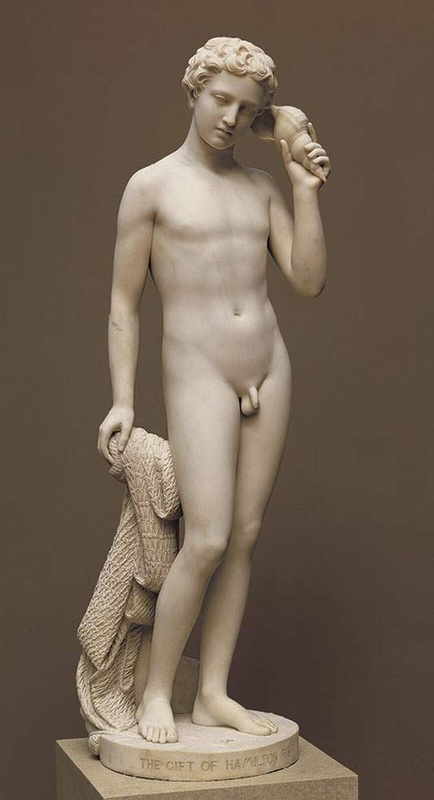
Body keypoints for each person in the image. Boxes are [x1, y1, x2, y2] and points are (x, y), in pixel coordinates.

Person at [98, 36, 330, 745]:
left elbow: (308, 280)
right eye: (220, 99)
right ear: (194, 92)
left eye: (247, 108)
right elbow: (124, 303)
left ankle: (213, 694)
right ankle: (156, 692)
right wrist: (123, 400)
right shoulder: (152, 187)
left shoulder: (261, 187)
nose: (231, 117)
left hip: (269, 365)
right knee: (206, 538)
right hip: (197, 369)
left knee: (245, 537)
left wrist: (302, 185)